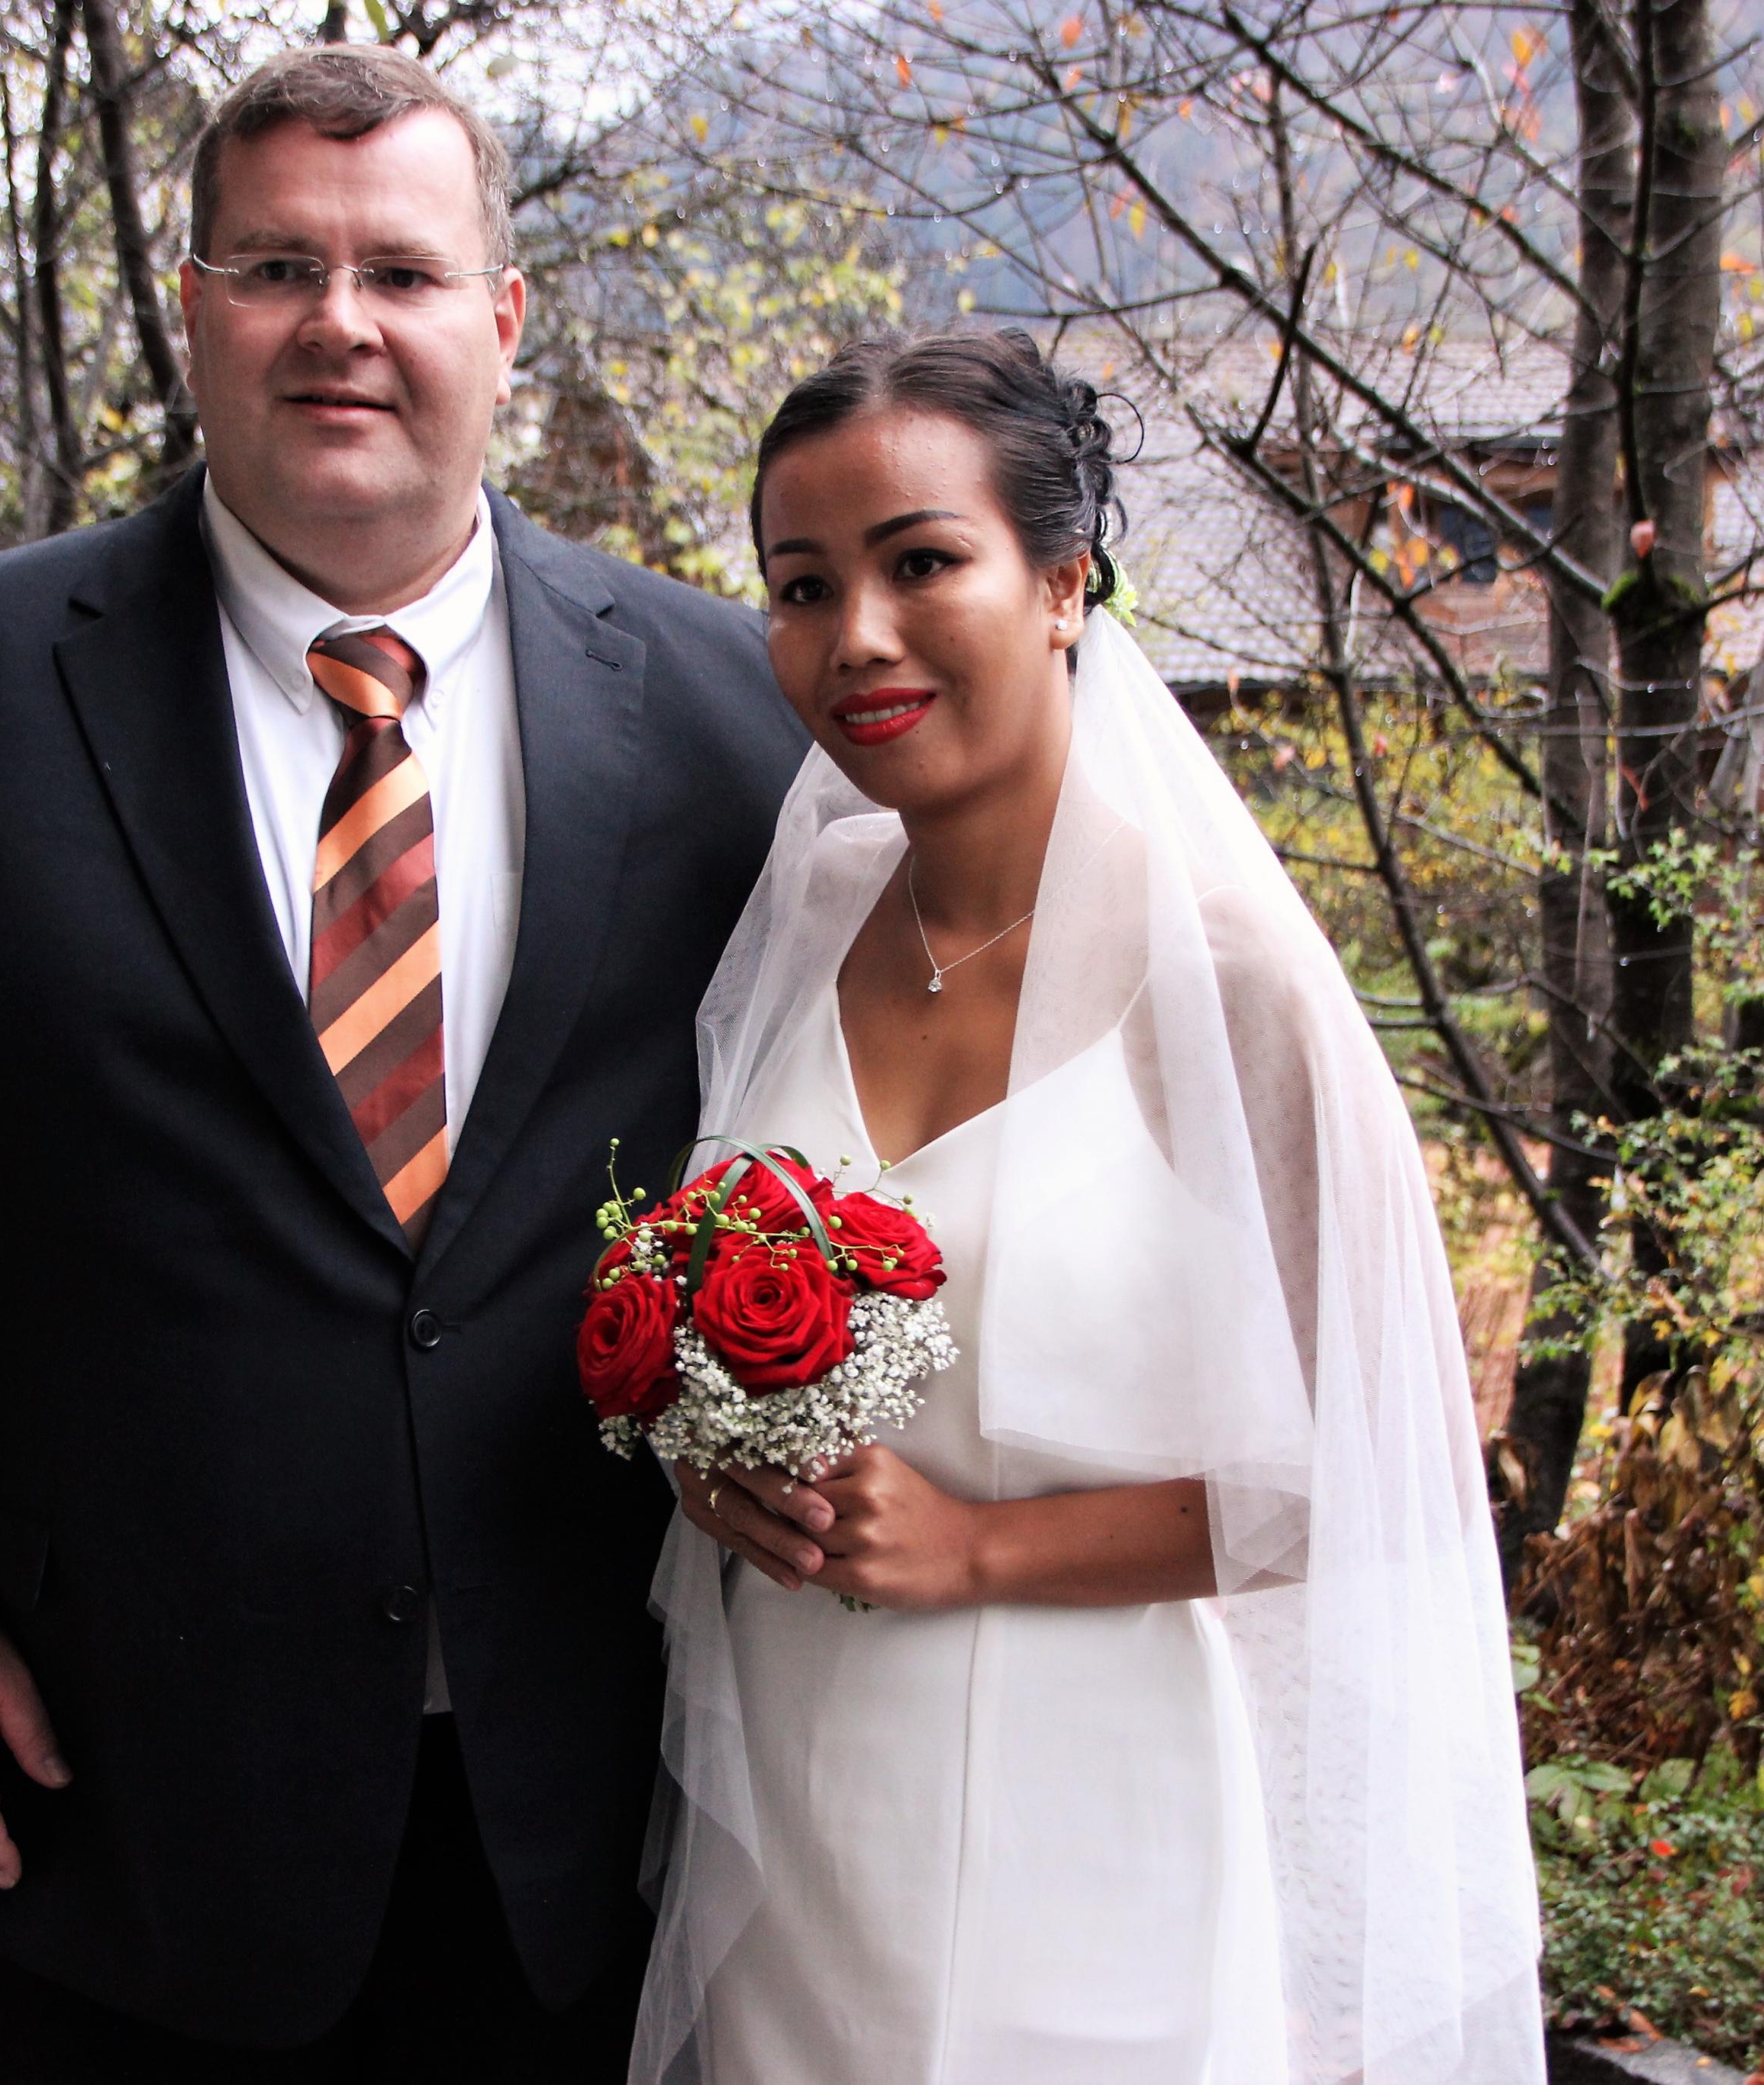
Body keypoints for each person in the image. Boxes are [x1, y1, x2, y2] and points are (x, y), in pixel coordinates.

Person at [0, 44, 806, 2083]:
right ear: (195, 307)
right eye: (279, 267)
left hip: (608, 1778)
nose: (339, 322)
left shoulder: (738, 709)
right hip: (124, 1783)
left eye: (400, 270)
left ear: (502, 320)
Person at [635, 330, 1545, 2083]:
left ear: (1062, 584)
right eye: (802, 586)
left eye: (920, 562)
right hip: (796, 1801)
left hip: (1084, 1805)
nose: (856, 636)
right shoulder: (804, 914)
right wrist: (712, 1457)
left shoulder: (1220, 978)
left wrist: (973, 1547)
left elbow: (1366, 1476)